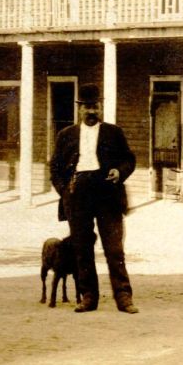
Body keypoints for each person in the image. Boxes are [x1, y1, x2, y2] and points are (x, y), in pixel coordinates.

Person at [48, 84, 139, 314]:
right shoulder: (66, 135)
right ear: (79, 109)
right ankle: (88, 297)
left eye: (95, 107)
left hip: (107, 191)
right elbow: (55, 168)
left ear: (101, 108)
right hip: (77, 193)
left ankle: (124, 297)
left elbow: (129, 159)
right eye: (87, 107)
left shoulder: (113, 132)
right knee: (82, 248)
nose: (91, 111)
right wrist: (65, 191)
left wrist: (119, 171)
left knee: (114, 248)